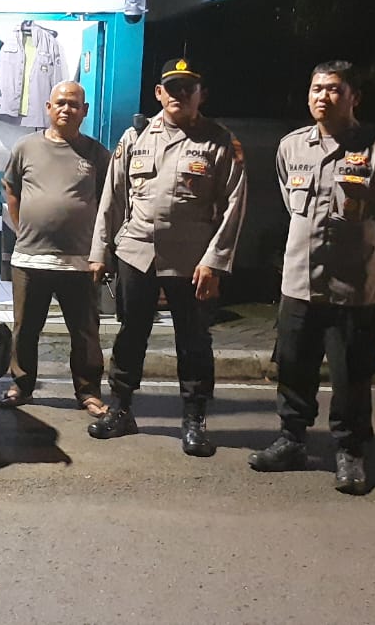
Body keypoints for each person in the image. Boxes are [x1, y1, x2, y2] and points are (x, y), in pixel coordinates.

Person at [248, 60, 375, 495]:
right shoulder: (291, 147)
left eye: (335, 89)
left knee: (351, 375)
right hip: (299, 283)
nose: (324, 97)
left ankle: (350, 452)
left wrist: (363, 251)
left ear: (354, 97)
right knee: (292, 367)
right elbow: (292, 204)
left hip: (350, 288)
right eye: (317, 88)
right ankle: (291, 440)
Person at [88, 58, 247, 457]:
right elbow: (112, 198)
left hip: (192, 261)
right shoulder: (135, 136)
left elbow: (234, 207)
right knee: (130, 335)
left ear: (200, 95)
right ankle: (121, 409)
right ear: (159, 93)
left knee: (193, 341)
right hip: (137, 253)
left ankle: (194, 419)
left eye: (187, 88)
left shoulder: (219, 141)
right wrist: (100, 252)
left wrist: (215, 262)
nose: (179, 94)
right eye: (172, 88)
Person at [0, 81, 111, 418]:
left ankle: (88, 392)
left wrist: (101, 251)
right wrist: (24, 229)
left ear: (84, 111)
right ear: (48, 107)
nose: (66, 109)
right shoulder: (26, 147)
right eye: (60, 103)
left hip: (80, 261)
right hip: (30, 258)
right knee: (25, 329)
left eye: (73, 104)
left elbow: (109, 201)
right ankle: (21, 385)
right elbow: (11, 190)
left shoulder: (96, 153)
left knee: (85, 332)